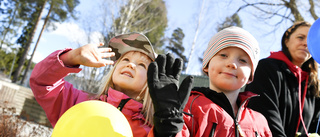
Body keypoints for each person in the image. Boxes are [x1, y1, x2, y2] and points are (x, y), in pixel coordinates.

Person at [147, 26, 272, 137]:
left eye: (243, 60)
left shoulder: (260, 122)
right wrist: (167, 127)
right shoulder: (188, 107)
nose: (232, 64)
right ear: (207, 64)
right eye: (223, 55)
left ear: (251, 75)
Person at [29, 32, 157, 137]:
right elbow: (42, 82)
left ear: (151, 81)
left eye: (141, 65)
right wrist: (72, 57)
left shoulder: (152, 131)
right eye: (126, 59)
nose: (130, 65)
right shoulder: (79, 102)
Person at [244, 21, 320, 137]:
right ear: (286, 41)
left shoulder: (313, 85)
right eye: (300, 37)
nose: (306, 43)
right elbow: (263, 113)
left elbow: (315, 126)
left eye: (310, 40)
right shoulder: (266, 68)